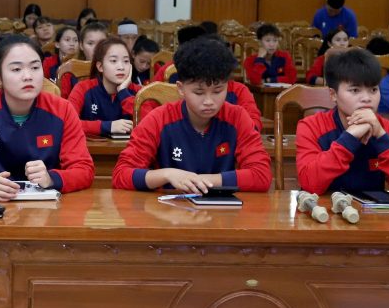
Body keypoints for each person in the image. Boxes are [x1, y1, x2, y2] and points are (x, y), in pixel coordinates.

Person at [0, 35, 95, 200]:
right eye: (16, 69)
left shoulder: (63, 110)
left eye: (35, 67)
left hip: (47, 207)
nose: (28, 76)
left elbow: (84, 169)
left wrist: (52, 178)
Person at [112, 36, 272, 192]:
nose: (209, 101)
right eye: (198, 92)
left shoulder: (237, 117)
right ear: (181, 89)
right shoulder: (159, 119)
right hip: (167, 207)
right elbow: (121, 174)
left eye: (218, 91)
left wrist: (200, 181)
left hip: (222, 208)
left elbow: (262, 175)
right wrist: (167, 175)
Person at [295, 48, 389, 196]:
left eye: (373, 90)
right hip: (325, 208)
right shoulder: (311, 126)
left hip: (373, 210)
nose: (367, 98)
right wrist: (349, 138)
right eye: (355, 90)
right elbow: (309, 185)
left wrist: (381, 137)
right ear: (333, 94)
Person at [67, 37, 141, 137]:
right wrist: (107, 126)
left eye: (126, 61)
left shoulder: (139, 92)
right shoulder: (83, 88)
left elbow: (152, 124)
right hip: (89, 147)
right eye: (113, 61)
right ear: (100, 66)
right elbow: (68, 123)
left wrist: (123, 93)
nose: (121, 67)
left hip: (129, 147)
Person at [60, 21, 108, 97]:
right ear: (81, 45)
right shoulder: (69, 72)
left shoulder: (116, 69)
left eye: (101, 43)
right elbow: (63, 101)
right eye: (90, 43)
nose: (96, 48)